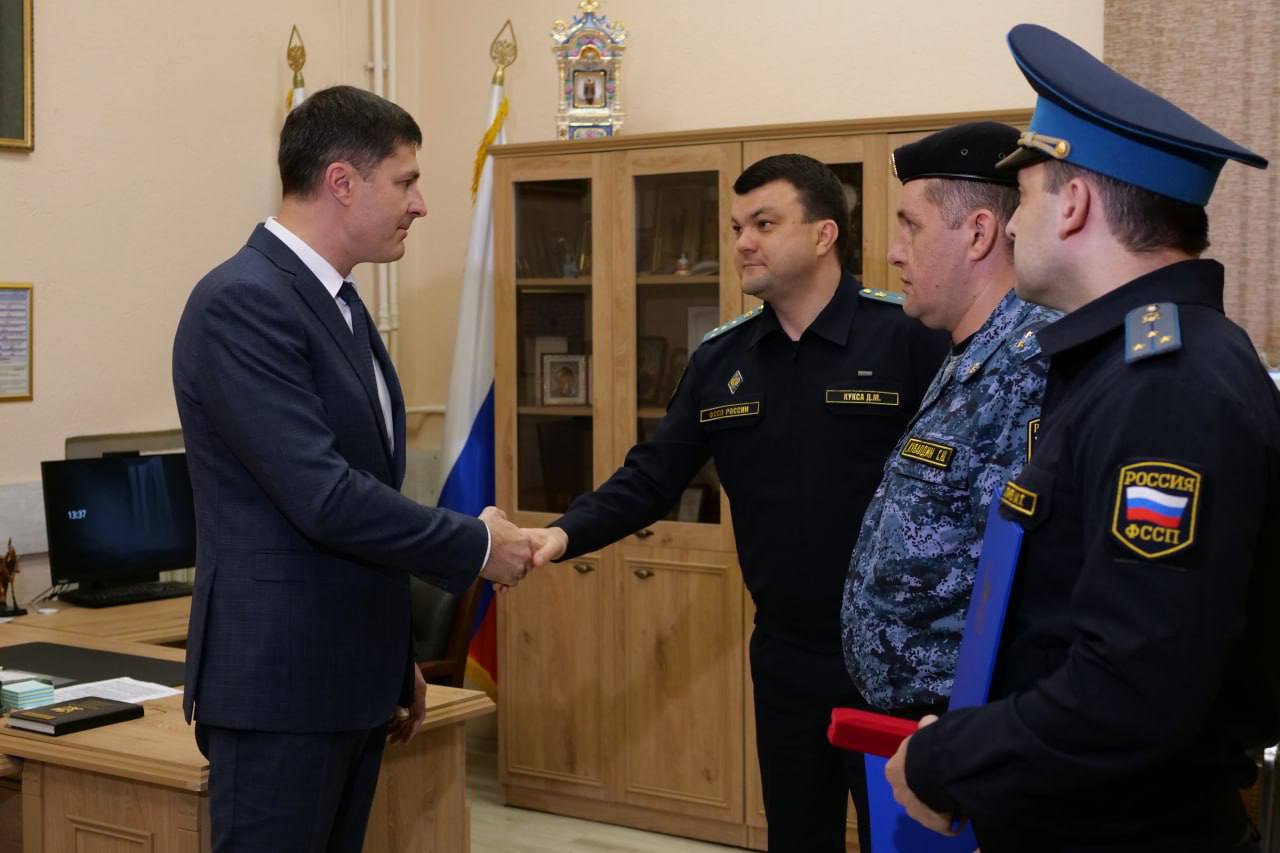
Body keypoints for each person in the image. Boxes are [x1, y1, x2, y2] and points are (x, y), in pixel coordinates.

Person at [886, 25, 1278, 853]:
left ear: (1073, 205)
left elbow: (1133, 686)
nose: (1012, 227)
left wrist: (949, 758)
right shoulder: (1125, 364)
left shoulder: (1167, 386)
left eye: (1025, 196)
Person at [526, 153, 950, 852]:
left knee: (903, 839)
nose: (743, 242)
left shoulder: (908, 337)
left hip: (897, 660)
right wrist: (562, 534)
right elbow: (651, 476)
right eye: (735, 227)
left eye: (764, 223)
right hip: (785, 653)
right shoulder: (721, 359)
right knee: (797, 835)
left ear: (823, 235)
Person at [172, 85, 532, 852]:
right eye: (406, 181)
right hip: (280, 690)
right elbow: (324, 497)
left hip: (347, 681)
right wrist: (475, 543)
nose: (421, 204)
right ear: (342, 181)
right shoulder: (242, 301)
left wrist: (392, 657)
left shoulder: (336, 302)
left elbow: (361, 491)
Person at [842, 122, 1059, 716]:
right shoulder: (970, 348)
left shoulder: (1029, 365)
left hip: (968, 725)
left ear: (979, 233)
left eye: (911, 225)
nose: (894, 251)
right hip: (924, 724)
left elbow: (1027, 582)